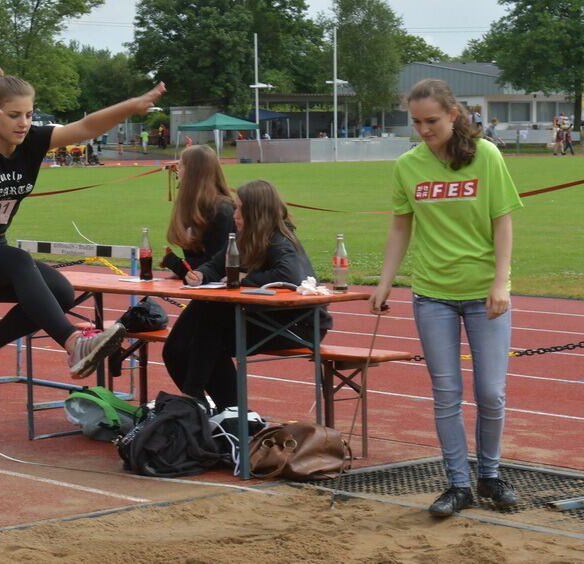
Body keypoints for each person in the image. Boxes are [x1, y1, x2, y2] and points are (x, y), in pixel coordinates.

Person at [0, 31, 165, 404]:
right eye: (14, 115)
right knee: (19, 260)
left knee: (60, 291)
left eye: (29, 114)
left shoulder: (33, 141)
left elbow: (85, 127)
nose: (23, 123)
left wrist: (129, 106)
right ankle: (73, 344)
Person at [369, 79, 523, 518]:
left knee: (491, 392)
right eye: (416, 122)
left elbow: (503, 221)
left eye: (431, 121)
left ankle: (490, 475)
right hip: (433, 294)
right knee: (446, 393)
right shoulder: (408, 166)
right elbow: (401, 226)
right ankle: (458, 483)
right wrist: (385, 281)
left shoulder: (487, 157)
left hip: (482, 293)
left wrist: (501, 282)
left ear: (453, 115)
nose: (423, 129)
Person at [162, 179, 332, 413]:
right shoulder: (242, 239)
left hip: (298, 325)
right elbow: (216, 265)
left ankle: (202, 399)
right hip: (265, 319)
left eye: (240, 208)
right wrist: (200, 275)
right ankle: (223, 410)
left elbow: (290, 275)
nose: (234, 213)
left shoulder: (281, 239)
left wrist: (245, 280)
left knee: (210, 323)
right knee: (191, 338)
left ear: (256, 212)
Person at [162, 145, 235, 279]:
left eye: (181, 166)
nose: (178, 172)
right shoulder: (193, 207)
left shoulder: (222, 209)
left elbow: (219, 265)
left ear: (192, 172)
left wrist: (175, 263)